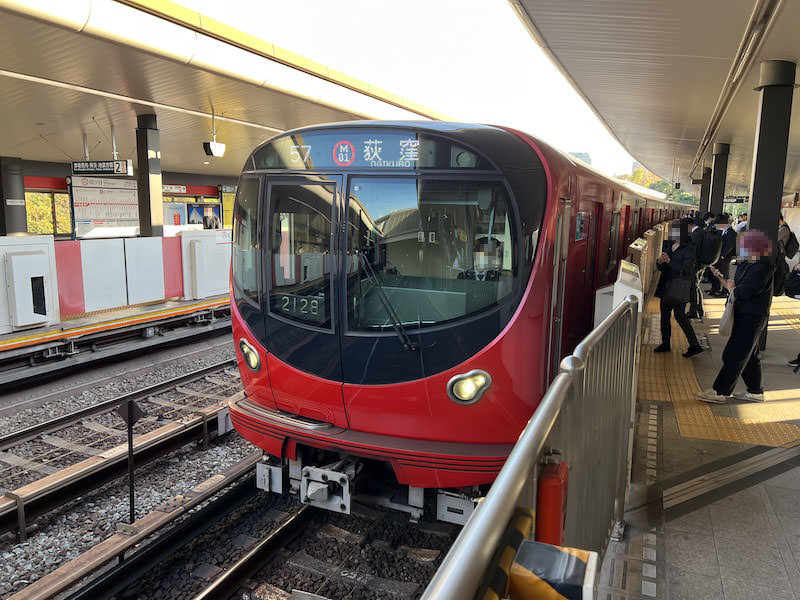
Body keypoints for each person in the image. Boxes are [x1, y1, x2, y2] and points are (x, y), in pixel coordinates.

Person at [697, 230, 775, 403]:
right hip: (742, 312)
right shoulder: (747, 263)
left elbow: (746, 290)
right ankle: (755, 391)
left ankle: (720, 392)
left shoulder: (763, 266)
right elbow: (735, 287)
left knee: (735, 354)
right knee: (750, 355)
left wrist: (733, 288)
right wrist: (723, 280)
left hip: (752, 316)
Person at [654, 219, 703, 357]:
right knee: (664, 316)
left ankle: (695, 345)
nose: (671, 233)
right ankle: (665, 344)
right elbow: (663, 268)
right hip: (666, 285)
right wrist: (660, 262)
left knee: (680, 316)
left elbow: (686, 270)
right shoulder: (671, 245)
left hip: (679, 286)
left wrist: (670, 261)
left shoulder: (689, 249)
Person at [710, 215, 737, 297]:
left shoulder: (731, 232)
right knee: (716, 272)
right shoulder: (721, 231)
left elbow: (730, 246)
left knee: (724, 273)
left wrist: (722, 255)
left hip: (725, 257)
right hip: (718, 256)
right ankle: (715, 289)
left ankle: (725, 291)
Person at [687, 217, 706, 319]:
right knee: (696, 287)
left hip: (695, 265)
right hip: (700, 264)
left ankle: (694, 311)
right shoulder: (701, 232)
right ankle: (699, 310)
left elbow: (693, 251)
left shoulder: (696, 234)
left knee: (693, 288)